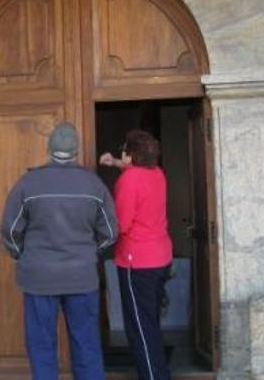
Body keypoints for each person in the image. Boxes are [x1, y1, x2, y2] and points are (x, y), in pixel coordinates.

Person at [1, 121, 118, 380]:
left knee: (42, 348)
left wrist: (24, 255)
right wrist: (90, 254)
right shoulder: (94, 185)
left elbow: (10, 231)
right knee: (86, 346)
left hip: (39, 278)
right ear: (77, 150)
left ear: (48, 148)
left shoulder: (28, 183)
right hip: (82, 277)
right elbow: (110, 233)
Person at [99, 129, 172, 380]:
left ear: (130, 155)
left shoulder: (128, 181)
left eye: (123, 151)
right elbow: (136, 171)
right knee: (150, 325)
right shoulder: (157, 173)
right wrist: (115, 163)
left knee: (140, 331)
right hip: (160, 258)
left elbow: (121, 224)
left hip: (137, 262)